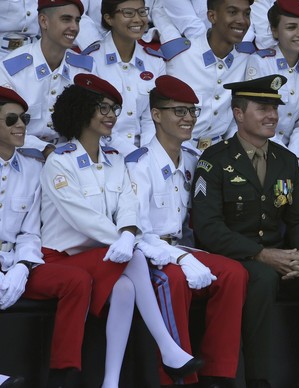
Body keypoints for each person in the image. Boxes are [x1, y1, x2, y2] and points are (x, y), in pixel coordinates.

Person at [191, 74, 299, 388]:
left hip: (282, 255)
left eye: (275, 108)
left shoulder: (285, 160)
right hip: (241, 258)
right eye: (262, 108)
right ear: (238, 114)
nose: (272, 116)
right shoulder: (214, 160)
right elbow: (208, 229)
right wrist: (262, 255)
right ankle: (259, 377)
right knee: (262, 277)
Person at [39, 74, 202, 388]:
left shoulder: (115, 160)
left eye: (114, 107)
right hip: (63, 257)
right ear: (81, 110)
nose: (111, 115)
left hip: (106, 256)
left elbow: (128, 202)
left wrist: (129, 234)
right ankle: (169, 348)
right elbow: (81, 217)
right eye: (103, 107)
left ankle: (110, 382)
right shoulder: (60, 163)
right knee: (136, 260)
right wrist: (126, 240)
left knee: (126, 288)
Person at [125, 75, 248, 388]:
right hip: (148, 254)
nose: (189, 118)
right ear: (156, 114)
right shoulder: (138, 163)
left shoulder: (195, 159)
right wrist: (177, 258)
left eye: (192, 111)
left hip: (184, 249)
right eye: (179, 111)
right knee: (173, 281)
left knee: (234, 274)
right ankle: (179, 379)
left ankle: (219, 374)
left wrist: (185, 255)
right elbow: (137, 232)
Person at [0, 86, 92, 388]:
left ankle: (62, 372)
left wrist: (23, 267)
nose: (21, 126)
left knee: (76, 281)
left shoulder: (32, 168)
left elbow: (30, 231)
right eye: (11, 119)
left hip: (17, 264)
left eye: (24, 118)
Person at [0, 0, 92, 157]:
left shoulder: (85, 69)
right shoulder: (11, 69)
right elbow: (6, 130)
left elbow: (90, 125)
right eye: (66, 19)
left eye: (77, 20)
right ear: (43, 21)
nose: (74, 27)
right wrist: (46, 149)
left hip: (70, 157)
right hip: (22, 156)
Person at [164, 0, 255, 154]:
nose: (241, 20)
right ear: (212, 16)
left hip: (220, 153)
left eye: (246, 14)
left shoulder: (246, 58)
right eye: (232, 12)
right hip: (178, 151)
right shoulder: (181, 57)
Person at [83, 0, 166, 156]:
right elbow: (92, 124)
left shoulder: (155, 61)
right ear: (109, 18)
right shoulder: (91, 61)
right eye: (128, 13)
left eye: (142, 12)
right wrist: (133, 155)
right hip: (103, 154)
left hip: (146, 155)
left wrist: (148, 154)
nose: (137, 19)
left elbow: (153, 118)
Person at [245, 0, 299, 160]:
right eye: (291, 27)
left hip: (296, 152)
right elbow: (257, 118)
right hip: (258, 150)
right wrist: (285, 156)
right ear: (275, 31)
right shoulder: (260, 63)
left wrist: (295, 156)